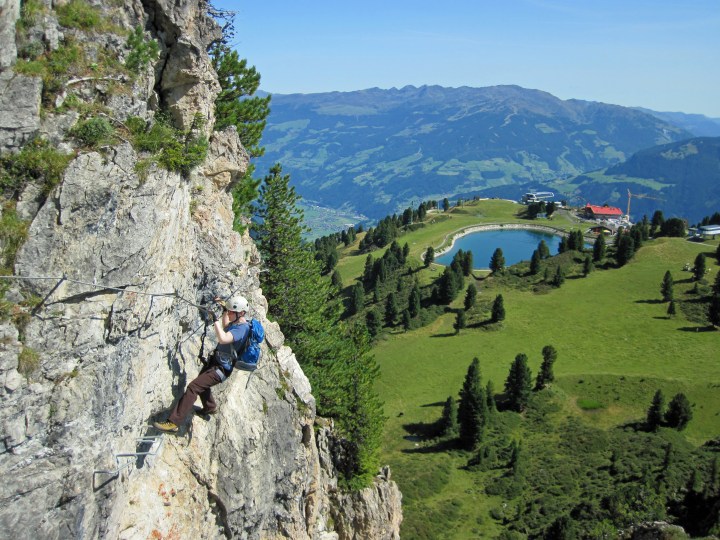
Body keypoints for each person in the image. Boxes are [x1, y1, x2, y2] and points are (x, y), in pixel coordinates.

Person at [154, 295, 250, 433]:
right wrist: (224, 311)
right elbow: (225, 326)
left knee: (194, 387)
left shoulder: (242, 329)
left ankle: (174, 422)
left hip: (222, 368)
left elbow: (223, 339)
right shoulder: (237, 324)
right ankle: (210, 407)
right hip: (216, 362)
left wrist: (215, 319)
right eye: (228, 311)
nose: (229, 314)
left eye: (231, 312)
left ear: (240, 313)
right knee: (202, 384)